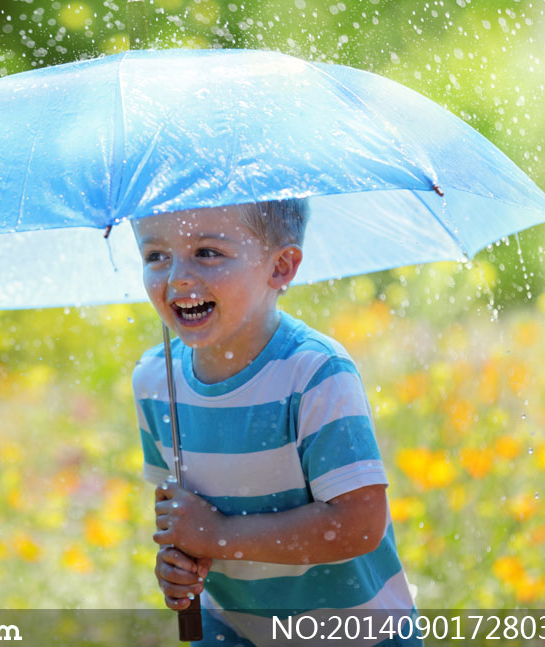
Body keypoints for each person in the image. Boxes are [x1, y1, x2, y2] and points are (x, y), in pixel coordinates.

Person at [130, 199, 418, 646]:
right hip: (232, 631)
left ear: (280, 267)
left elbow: (360, 523)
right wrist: (180, 560)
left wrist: (220, 535)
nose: (177, 277)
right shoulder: (155, 380)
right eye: (156, 256)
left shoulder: (314, 374)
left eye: (207, 252)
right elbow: (180, 511)